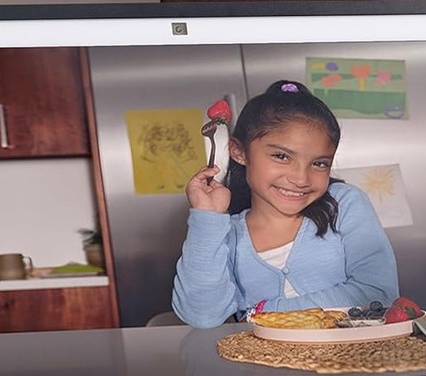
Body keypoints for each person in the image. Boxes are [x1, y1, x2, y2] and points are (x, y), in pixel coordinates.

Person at [171, 79, 399, 329]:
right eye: (281, 156)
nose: (301, 179)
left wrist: (261, 313)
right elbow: (201, 316)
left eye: (319, 163)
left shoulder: (344, 204)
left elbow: (377, 294)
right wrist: (207, 219)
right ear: (239, 152)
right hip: (260, 368)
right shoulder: (225, 233)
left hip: (349, 363)